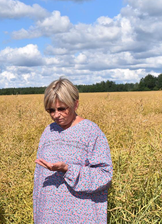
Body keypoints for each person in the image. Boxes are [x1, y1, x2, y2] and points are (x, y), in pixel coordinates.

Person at [33, 77, 113, 223]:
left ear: (75, 104)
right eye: (51, 110)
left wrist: (68, 169)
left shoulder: (91, 131)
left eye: (62, 109)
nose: (56, 115)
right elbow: (39, 180)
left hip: (80, 217)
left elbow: (104, 176)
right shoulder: (48, 131)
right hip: (48, 217)